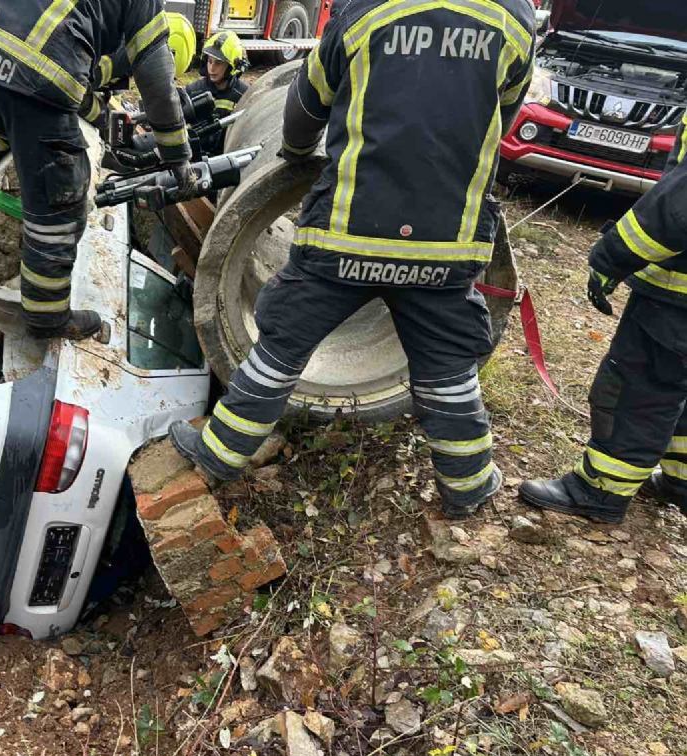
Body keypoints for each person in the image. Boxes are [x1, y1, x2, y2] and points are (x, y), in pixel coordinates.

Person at [169, 0, 536, 520]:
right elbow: (502, 115)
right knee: (449, 368)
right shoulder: (514, 19)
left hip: (347, 235)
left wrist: (295, 151)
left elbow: (305, 107)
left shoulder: (364, 10)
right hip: (446, 244)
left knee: (281, 348)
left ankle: (220, 455)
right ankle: (469, 485)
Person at [0, 1, 192, 341]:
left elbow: (80, 83)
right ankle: (47, 316)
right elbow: (153, 77)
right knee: (60, 198)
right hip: (35, 64)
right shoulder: (142, 11)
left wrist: (106, 119)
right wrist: (176, 153)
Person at [519, 130, 687, 523]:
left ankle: (599, 491)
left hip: (678, 300)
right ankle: (681, 481)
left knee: (639, 386)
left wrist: (613, 256)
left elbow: (679, 205)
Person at [185, 30, 249, 156]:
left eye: (218, 63)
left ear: (232, 67)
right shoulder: (193, 90)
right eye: (210, 61)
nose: (212, 68)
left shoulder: (243, 95)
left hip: (226, 158)